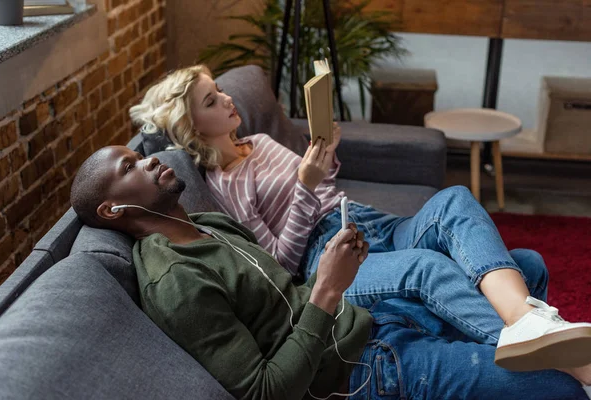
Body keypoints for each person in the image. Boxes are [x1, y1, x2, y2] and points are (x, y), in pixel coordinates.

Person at [129, 64, 591, 373]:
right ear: (192, 127)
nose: (227, 100)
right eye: (211, 102)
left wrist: (325, 156)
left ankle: (528, 324)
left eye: (221, 92)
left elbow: (323, 184)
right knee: (429, 268)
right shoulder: (224, 184)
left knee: (461, 205)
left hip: (367, 222)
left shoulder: (261, 144)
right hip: (325, 257)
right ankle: (554, 363)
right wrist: (306, 187)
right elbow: (279, 262)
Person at [70, 145, 591, 400]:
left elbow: (286, 290)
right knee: (561, 387)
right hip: (359, 368)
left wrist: (341, 276)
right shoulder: (175, 282)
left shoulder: (206, 223)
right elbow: (263, 392)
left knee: (526, 266)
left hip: (366, 316)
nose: (150, 162)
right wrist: (326, 290)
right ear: (114, 210)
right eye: (130, 168)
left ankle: (534, 332)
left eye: (139, 155)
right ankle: (545, 346)